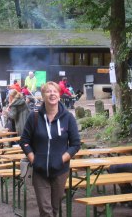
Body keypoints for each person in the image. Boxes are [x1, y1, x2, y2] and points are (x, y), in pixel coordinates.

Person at [20, 81, 81, 217]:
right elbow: (24, 141)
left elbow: (75, 144)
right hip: (39, 171)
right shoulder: (34, 116)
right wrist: (33, 159)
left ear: (59, 95)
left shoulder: (68, 117)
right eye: (48, 91)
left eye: (55, 91)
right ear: (42, 96)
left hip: (60, 171)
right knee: (46, 211)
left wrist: (61, 159)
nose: (52, 94)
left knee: (55, 209)